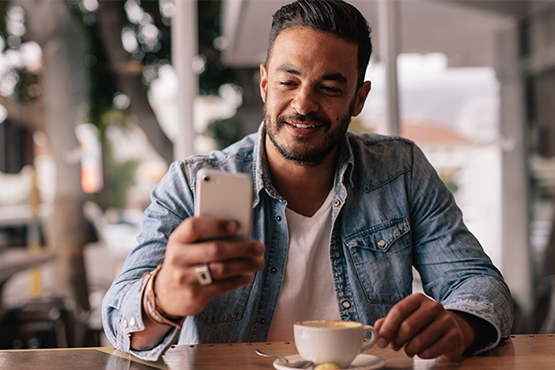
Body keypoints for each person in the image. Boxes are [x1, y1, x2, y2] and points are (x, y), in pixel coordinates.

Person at [102, 0, 513, 362]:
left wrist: (459, 324)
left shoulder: (401, 169)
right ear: (264, 84)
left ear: (359, 98)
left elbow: (477, 282)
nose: (303, 104)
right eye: (288, 81)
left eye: (329, 87)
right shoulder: (190, 184)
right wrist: (162, 300)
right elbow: (119, 321)